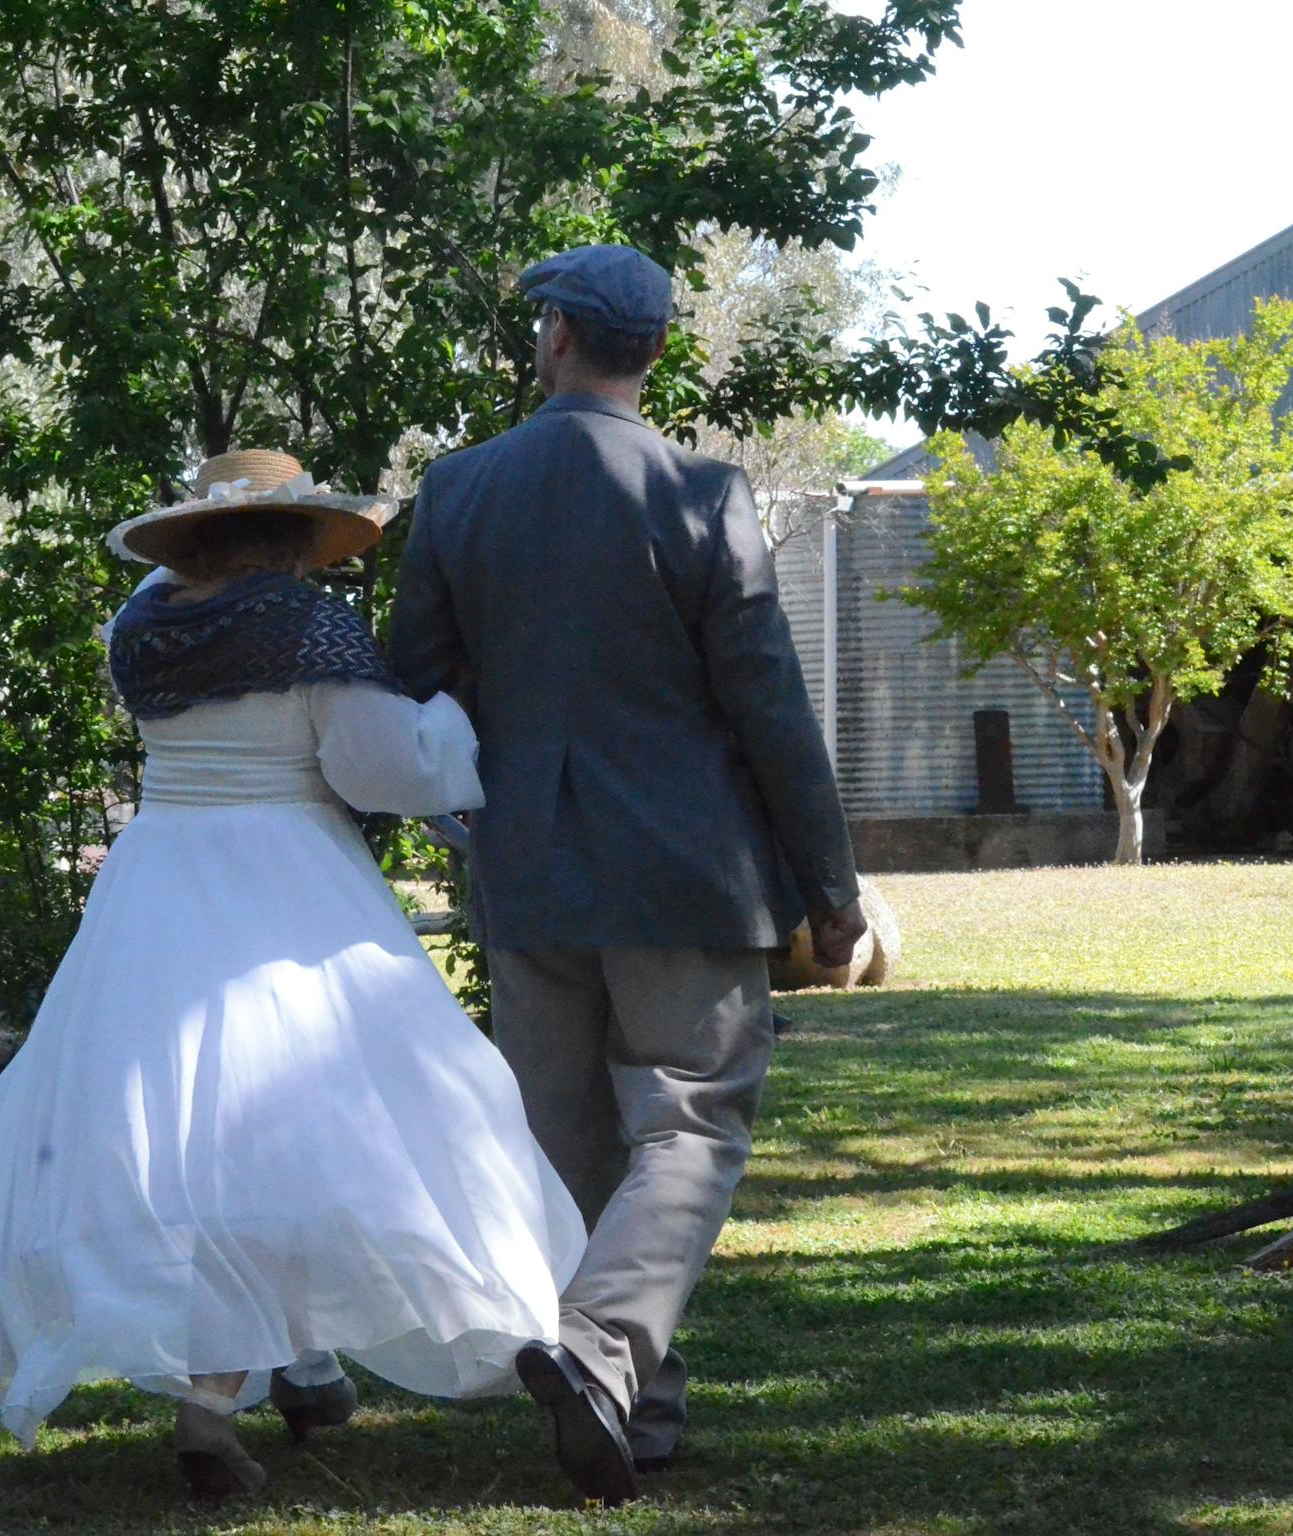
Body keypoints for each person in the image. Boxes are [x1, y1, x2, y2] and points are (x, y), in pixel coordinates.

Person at [0, 449, 586, 1502]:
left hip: (160, 873)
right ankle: (237, 1388)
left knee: (191, 1140)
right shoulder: (306, 628)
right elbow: (374, 769)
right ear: (292, 532)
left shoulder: (144, 623)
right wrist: (448, 725)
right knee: (320, 1120)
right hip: (285, 875)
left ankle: (279, 1375)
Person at [390, 244, 867, 1506]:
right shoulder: (703, 495)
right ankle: (601, 1359)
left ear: (555, 336)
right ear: (648, 352)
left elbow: (412, 687)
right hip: (684, 869)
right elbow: (767, 706)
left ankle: (633, 1417)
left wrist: (454, 821)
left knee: (572, 1142)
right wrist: (830, 884)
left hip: (529, 869)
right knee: (692, 1115)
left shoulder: (456, 492)